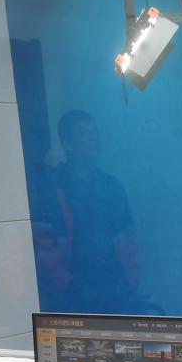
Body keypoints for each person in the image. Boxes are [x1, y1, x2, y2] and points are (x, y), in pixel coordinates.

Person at [53, 110, 140, 309]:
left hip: (112, 286)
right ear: (67, 144)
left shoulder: (112, 186)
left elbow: (129, 237)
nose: (93, 138)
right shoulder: (54, 187)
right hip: (71, 291)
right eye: (83, 133)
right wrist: (64, 283)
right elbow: (44, 244)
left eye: (95, 132)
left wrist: (131, 279)